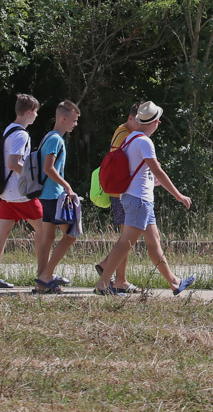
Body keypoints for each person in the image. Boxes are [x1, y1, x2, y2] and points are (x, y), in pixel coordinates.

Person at [92, 101, 194, 296]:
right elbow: (159, 171)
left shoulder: (130, 139)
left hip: (138, 199)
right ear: (155, 122)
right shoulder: (144, 141)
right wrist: (179, 195)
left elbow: (142, 171)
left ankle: (174, 282)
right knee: (125, 243)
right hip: (139, 200)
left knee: (153, 242)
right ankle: (103, 285)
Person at [0, 94, 42, 289]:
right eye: (35, 112)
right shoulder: (21, 134)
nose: (36, 116)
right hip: (21, 193)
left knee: (1, 233)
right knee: (45, 231)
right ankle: (44, 276)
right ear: (28, 112)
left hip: (7, 194)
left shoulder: (9, 129)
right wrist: (34, 175)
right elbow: (14, 163)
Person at [33, 100, 81, 293]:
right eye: (74, 120)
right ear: (64, 118)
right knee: (71, 234)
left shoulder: (48, 137)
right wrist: (67, 186)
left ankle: (41, 281)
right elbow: (48, 167)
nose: (75, 124)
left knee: (48, 237)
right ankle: (46, 276)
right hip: (53, 196)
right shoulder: (56, 139)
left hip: (46, 195)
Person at [95, 102, 142, 293]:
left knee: (127, 238)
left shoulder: (122, 131)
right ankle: (118, 279)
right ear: (131, 118)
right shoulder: (125, 135)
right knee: (126, 239)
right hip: (122, 193)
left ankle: (114, 273)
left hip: (120, 192)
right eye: (139, 120)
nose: (142, 125)